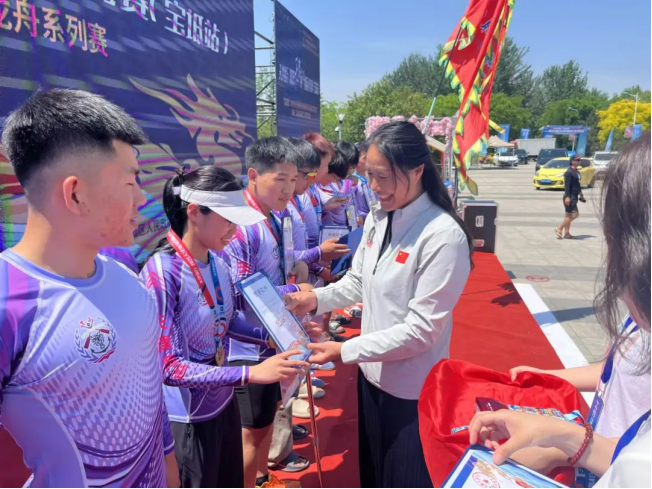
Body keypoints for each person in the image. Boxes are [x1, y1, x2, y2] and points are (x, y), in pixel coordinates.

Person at [0, 89, 177, 487]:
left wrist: (169, 467)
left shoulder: (125, 272)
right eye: (131, 182)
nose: (143, 197)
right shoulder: (9, 302)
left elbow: (149, 392)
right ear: (75, 194)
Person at [286, 121, 475, 488]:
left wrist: (344, 350)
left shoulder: (443, 236)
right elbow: (359, 281)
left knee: (404, 477)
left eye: (383, 177)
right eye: (369, 175)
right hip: (371, 376)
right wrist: (315, 299)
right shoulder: (379, 217)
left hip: (411, 390)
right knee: (372, 473)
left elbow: (421, 331)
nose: (373, 186)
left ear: (417, 171)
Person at [469, 134, 651, 488]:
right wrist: (548, 376)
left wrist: (560, 446)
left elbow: (635, 464)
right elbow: (614, 372)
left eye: (615, 241)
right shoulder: (639, 319)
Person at [140, 167, 310, 488]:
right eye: (228, 220)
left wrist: (272, 337)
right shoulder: (163, 272)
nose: (234, 230)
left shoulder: (217, 262)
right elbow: (169, 367)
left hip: (223, 403)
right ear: (194, 212)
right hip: (188, 420)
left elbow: (227, 321)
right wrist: (249, 373)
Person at [222, 137, 313, 489]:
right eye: (280, 179)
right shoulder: (242, 227)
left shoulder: (272, 217)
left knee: (264, 424)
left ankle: (262, 477)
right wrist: (296, 293)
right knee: (251, 433)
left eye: (293, 180)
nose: (288, 189)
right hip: (247, 347)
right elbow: (241, 293)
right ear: (253, 175)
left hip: (272, 337)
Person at [319, 142, 358, 227]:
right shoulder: (321, 184)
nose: (348, 170)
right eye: (349, 166)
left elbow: (350, 205)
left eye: (352, 168)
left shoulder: (343, 181)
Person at [556, 155, 585, 240]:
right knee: (575, 214)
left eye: (579, 160)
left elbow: (577, 184)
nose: (579, 161)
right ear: (572, 161)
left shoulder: (576, 171)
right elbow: (567, 186)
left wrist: (581, 195)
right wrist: (567, 197)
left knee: (568, 215)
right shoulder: (569, 172)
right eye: (577, 160)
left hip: (575, 195)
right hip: (570, 196)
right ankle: (559, 228)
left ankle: (567, 233)